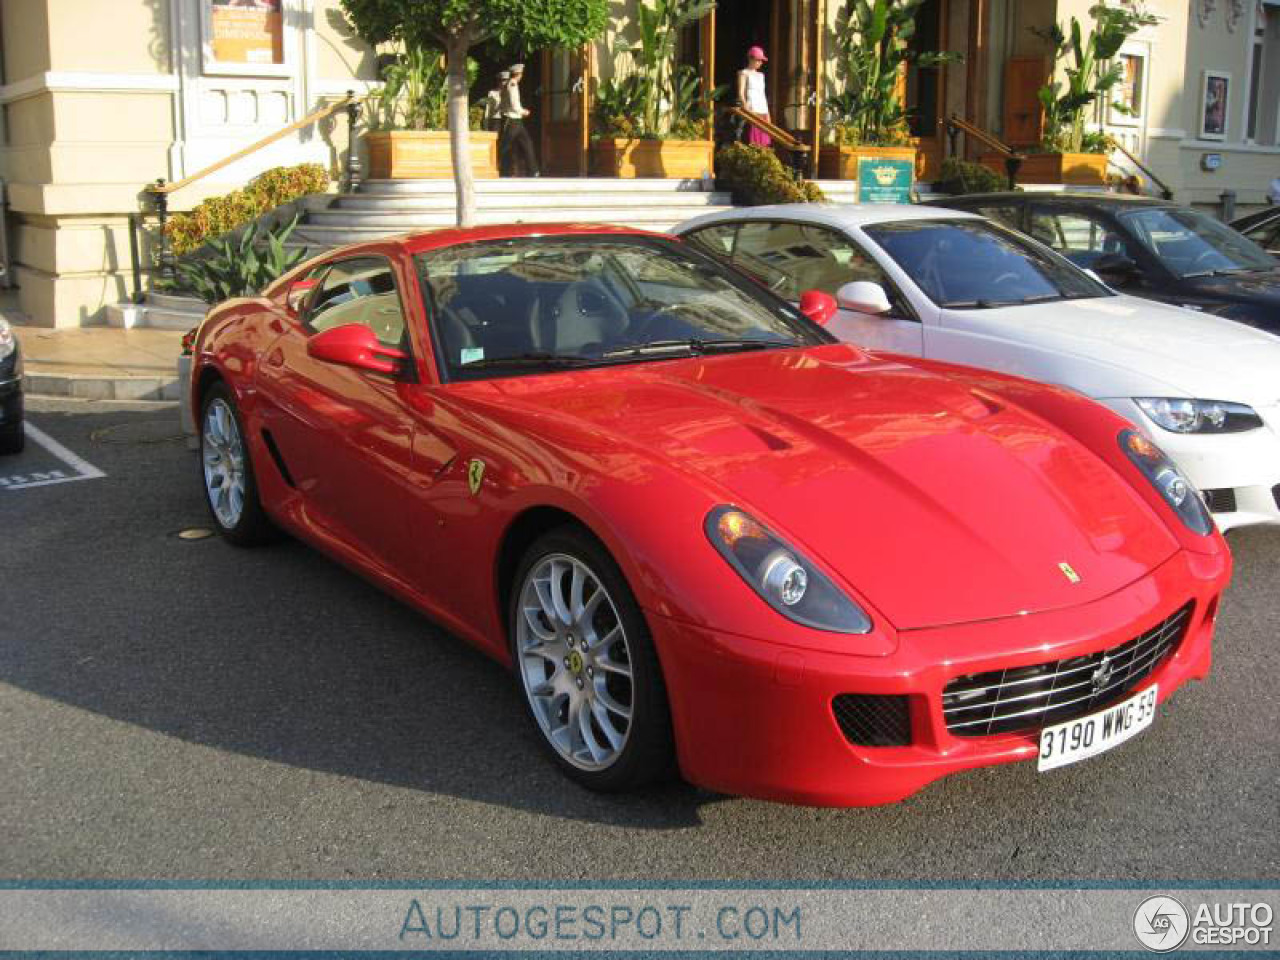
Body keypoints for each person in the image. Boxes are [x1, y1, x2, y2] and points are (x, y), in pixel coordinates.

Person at [498, 63, 540, 177]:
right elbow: (514, 103)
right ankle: (504, 171)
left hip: (515, 120)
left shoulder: (508, 83)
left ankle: (533, 171)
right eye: (521, 74)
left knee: (527, 143)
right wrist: (523, 111)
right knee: (506, 146)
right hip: (512, 119)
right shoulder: (512, 84)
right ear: (518, 74)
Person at [736, 46, 771, 148]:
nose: (760, 62)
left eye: (761, 60)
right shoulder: (744, 73)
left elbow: (762, 94)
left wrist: (768, 113)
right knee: (752, 140)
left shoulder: (761, 75)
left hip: (762, 110)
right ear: (751, 59)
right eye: (758, 60)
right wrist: (745, 106)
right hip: (751, 110)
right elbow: (741, 93)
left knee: (764, 141)